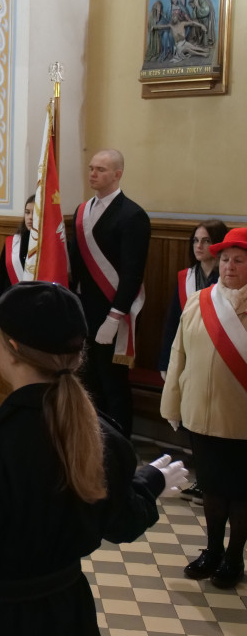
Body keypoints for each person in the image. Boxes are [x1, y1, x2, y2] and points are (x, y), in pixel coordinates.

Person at [0, 281, 187, 635]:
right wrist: (148, 482)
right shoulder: (101, 436)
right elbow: (121, 521)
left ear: (11, 348)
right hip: (68, 611)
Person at [162, 227, 247, 589]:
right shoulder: (199, 301)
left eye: (240, 260)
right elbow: (178, 354)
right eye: (225, 259)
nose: (230, 266)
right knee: (212, 488)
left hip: (241, 420)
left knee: (241, 493)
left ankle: (234, 556)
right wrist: (173, 403)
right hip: (202, 414)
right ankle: (212, 551)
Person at [68, 149, 150, 437]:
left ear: (117, 174)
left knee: (113, 383)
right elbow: (75, 266)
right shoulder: (81, 212)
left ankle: (119, 445)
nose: (93, 173)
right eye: (91, 168)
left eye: (101, 169)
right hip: (84, 312)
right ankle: (93, 439)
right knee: (87, 381)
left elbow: (132, 272)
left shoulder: (133, 215)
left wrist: (115, 316)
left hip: (113, 313)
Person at [158, 220, 228, 502]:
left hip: (214, 362)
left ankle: (216, 478)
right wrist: (165, 360)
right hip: (186, 358)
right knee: (191, 419)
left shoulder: (224, 280)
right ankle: (202, 474)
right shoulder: (186, 277)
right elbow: (172, 321)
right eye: (196, 241)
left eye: (206, 241)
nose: (199, 246)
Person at [0, 194, 35, 300]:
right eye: (27, 212)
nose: (30, 217)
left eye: (35, 213)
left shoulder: (49, 246)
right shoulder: (13, 243)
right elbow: (1, 280)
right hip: (12, 302)